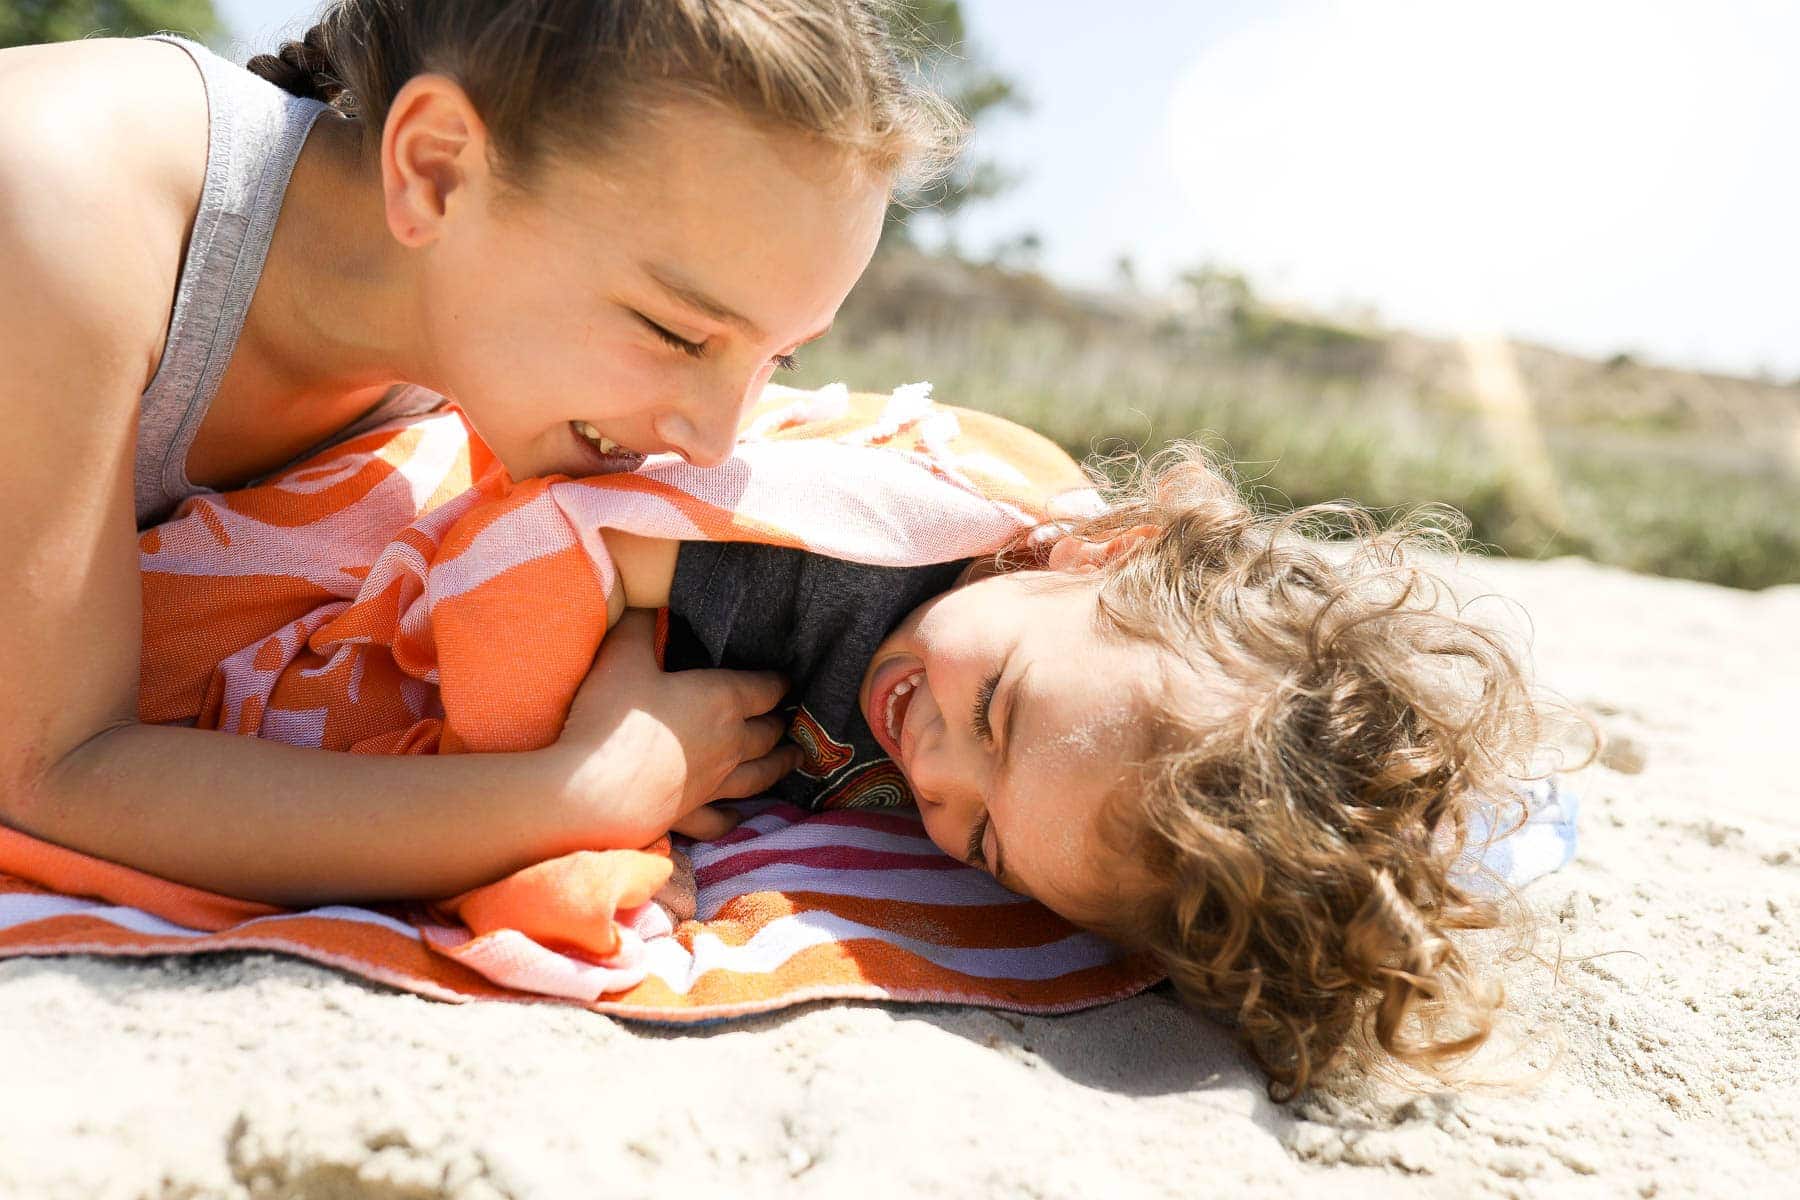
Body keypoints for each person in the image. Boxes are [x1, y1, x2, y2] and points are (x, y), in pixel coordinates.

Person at [0, 3, 957, 896]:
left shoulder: (466, 346)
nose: (714, 438)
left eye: (779, 353)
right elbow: (53, 769)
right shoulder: (58, 199)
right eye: (677, 332)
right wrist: (573, 800)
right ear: (438, 168)